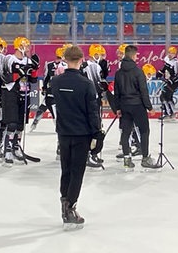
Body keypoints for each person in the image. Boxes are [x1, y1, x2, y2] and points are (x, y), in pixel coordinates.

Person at [51, 45, 103, 227]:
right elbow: (92, 112)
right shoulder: (86, 84)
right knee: (77, 172)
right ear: (81, 61)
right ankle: (71, 206)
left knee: (66, 169)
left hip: (63, 132)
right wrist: (97, 132)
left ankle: (64, 202)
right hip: (82, 133)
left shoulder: (55, 82)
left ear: (64, 59)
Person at [114, 45, 160, 170]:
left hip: (124, 106)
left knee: (126, 132)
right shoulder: (138, 71)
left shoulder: (118, 73)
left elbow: (116, 92)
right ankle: (145, 158)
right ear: (134, 55)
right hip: (138, 106)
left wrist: (118, 108)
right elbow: (143, 91)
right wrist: (149, 107)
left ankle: (127, 159)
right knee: (144, 131)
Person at [0, 36, 39, 167]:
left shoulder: (27, 60)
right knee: (11, 124)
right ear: (20, 46)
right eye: (26, 46)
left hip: (24, 93)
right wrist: (20, 73)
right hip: (11, 94)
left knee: (21, 125)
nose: (28, 49)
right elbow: (5, 77)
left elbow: (33, 80)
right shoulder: (9, 58)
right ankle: (7, 150)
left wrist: (34, 69)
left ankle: (16, 147)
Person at [30, 45, 69, 133]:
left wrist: (44, 87)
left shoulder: (58, 65)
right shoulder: (52, 65)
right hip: (53, 91)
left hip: (55, 91)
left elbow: (46, 77)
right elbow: (46, 77)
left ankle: (38, 122)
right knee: (48, 108)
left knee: (46, 107)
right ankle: (58, 127)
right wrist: (44, 87)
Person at [81, 44, 106, 168]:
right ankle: (90, 154)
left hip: (86, 100)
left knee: (94, 127)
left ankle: (91, 154)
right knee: (95, 128)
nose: (99, 57)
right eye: (97, 54)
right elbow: (98, 85)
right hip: (93, 101)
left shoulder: (84, 65)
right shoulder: (94, 66)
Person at [156, 46, 178, 121]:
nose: (170, 54)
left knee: (165, 96)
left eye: (172, 53)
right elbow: (164, 68)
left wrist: (170, 80)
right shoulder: (167, 59)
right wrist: (160, 73)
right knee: (165, 97)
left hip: (173, 84)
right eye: (169, 52)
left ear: (175, 54)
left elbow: (177, 75)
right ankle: (170, 113)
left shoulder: (175, 63)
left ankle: (169, 113)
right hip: (167, 82)